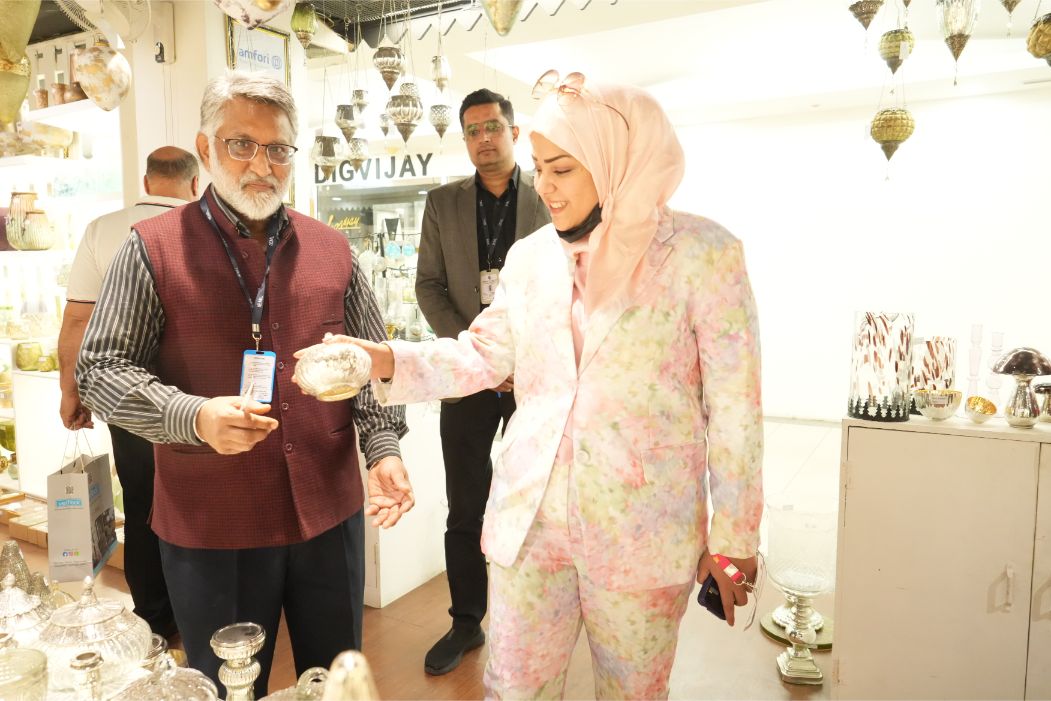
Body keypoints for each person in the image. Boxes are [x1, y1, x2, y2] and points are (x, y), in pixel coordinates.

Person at [306, 72, 764, 699]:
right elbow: (480, 353)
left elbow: (737, 409)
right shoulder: (532, 257)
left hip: (641, 531)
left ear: (615, 161)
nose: (544, 186)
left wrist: (735, 540)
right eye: (540, 168)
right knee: (514, 687)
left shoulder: (702, 254)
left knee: (632, 692)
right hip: (530, 523)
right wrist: (384, 359)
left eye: (563, 169)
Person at [76, 71, 415, 696]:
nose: (262, 165)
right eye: (241, 145)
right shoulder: (151, 248)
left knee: (335, 681)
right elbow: (100, 369)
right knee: (227, 686)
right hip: (212, 523)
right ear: (206, 149)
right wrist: (193, 417)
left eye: (278, 148)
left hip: (328, 515)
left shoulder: (333, 249)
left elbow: (368, 365)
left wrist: (384, 448)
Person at [414, 88, 549, 676]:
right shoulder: (442, 203)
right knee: (465, 506)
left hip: (534, 378)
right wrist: (477, 351)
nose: (483, 138)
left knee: (539, 501)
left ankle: (539, 617)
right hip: (469, 377)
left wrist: (522, 356)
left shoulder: (549, 192)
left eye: (493, 127)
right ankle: (466, 622)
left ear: (514, 133)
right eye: (472, 130)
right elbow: (428, 285)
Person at [59, 145, 199, 640]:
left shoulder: (102, 229)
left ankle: (155, 619)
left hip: (127, 393)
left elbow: (78, 320)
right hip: (199, 395)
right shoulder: (208, 227)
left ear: (146, 181)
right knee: (201, 504)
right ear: (195, 183)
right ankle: (203, 614)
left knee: (142, 502)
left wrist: (71, 391)